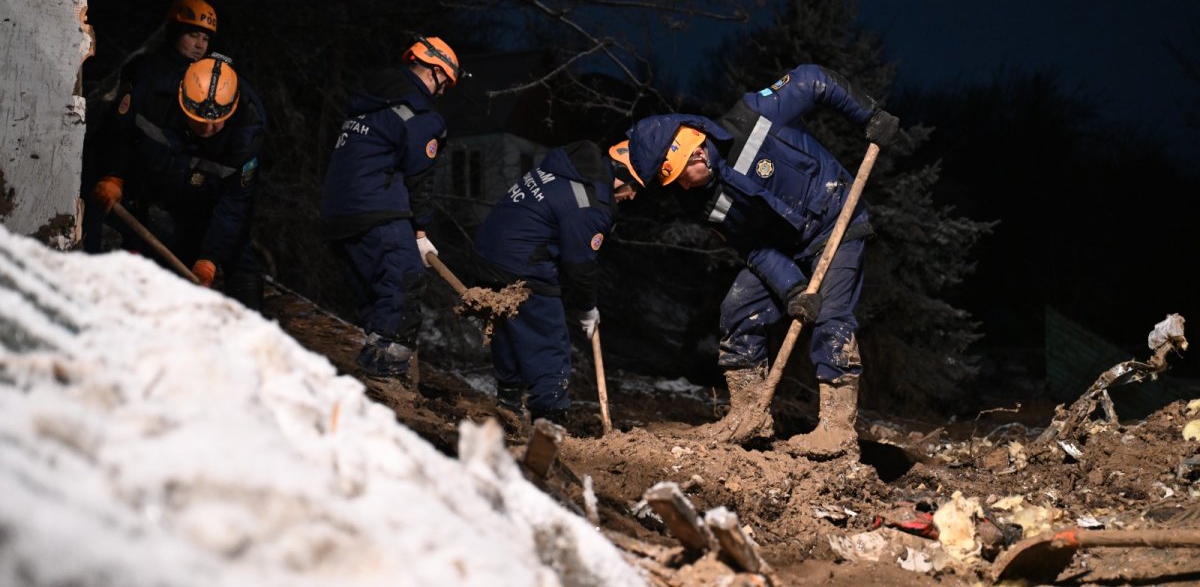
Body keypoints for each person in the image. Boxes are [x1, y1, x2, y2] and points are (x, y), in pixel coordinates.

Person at [613, 63, 899, 458]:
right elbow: (752, 247)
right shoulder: (701, 201)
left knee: (832, 317)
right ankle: (748, 414)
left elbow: (814, 79)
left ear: (695, 151)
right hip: (787, 249)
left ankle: (836, 429)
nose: (681, 187)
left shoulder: (753, 116)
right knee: (738, 308)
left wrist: (870, 115)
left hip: (837, 218)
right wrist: (792, 289)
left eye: (681, 176)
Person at [319, 37, 463, 382]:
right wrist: (421, 231)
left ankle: (373, 367)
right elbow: (419, 180)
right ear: (433, 70)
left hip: (337, 213)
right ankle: (388, 376)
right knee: (405, 280)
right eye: (444, 83)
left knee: (377, 290)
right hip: (377, 209)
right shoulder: (421, 115)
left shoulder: (370, 99)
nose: (442, 93)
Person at [469, 141, 639, 427]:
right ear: (621, 174)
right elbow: (580, 265)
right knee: (549, 342)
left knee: (507, 329)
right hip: (523, 264)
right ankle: (549, 419)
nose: (633, 196)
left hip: (488, 256)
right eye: (635, 187)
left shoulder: (563, 170)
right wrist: (587, 309)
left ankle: (508, 404)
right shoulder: (589, 202)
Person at [89, 53, 268, 309]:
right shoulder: (153, 94)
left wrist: (209, 257)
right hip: (150, 184)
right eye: (199, 121)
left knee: (239, 253)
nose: (207, 129)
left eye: (215, 123)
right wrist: (113, 175)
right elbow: (118, 134)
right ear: (182, 100)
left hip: (205, 199)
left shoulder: (247, 132)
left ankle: (251, 334)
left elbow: (235, 204)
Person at [83, 0, 221, 252]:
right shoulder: (146, 70)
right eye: (193, 35)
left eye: (205, 39)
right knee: (88, 239)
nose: (200, 45)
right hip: (110, 174)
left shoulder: (200, 82)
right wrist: (114, 175)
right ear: (175, 32)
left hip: (147, 186)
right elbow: (120, 126)